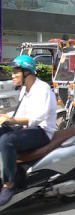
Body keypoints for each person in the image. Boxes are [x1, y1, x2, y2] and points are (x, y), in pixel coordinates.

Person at [0, 55, 57, 205]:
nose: (12, 76)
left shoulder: (42, 89)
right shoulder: (25, 90)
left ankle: (9, 185)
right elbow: (20, 115)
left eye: (15, 72)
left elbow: (36, 119)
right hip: (28, 128)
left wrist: (11, 119)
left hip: (42, 132)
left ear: (27, 73)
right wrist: (4, 117)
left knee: (7, 140)